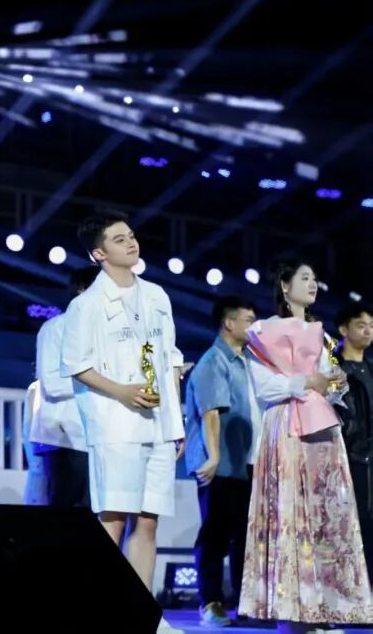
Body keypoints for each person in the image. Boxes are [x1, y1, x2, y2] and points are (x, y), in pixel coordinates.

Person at [60, 210, 184, 634]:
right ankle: (103, 613)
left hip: (159, 424)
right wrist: (123, 392)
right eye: (118, 239)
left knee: (148, 521)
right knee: (112, 519)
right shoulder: (85, 305)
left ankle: (142, 618)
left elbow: (171, 358)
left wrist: (176, 421)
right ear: (98, 253)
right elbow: (77, 366)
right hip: (116, 423)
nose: (130, 243)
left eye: (131, 235)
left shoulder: (157, 296)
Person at [238, 259, 373, 633]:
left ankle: (325, 607)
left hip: (323, 428)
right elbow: (265, 388)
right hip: (286, 426)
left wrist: (332, 382)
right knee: (290, 513)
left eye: (314, 278)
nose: (312, 284)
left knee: (325, 514)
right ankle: (291, 609)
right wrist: (303, 382)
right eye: (304, 278)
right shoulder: (263, 332)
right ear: (285, 285)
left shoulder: (322, 335)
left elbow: (334, 382)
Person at [184, 297, 258, 627]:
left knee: (243, 536)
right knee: (214, 534)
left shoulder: (247, 361)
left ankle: (245, 603)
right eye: (249, 320)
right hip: (220, 464)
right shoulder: (213, 361)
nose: (254, 327)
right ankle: (210, 603)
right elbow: (210, 413)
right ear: (229, 323)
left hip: (243, 462)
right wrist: (213, 456)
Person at [30, 267, 98, 508]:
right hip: (65, 437)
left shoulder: (106, 333)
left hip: (98, 439)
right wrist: (100, 381)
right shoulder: (55, 328)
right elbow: (52, 384)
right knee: (66, 512)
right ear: (82, 290)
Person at [335, 302, 373, 577]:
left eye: (372, 326)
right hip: (346, 457)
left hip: (369, 457)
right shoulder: (333, 370)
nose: (368, 331)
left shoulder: (371, 368)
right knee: (348, 526)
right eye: (361, 325)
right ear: (343, 330)